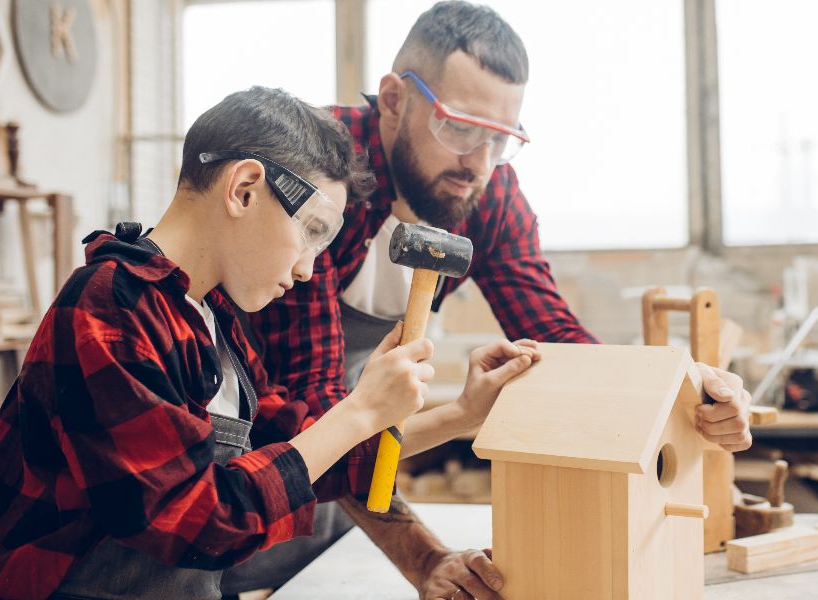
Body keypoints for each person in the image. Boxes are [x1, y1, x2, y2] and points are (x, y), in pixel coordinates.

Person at [0, 86, 537, 600]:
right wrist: (359, 409)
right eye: (312, 232)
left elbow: (297, 443)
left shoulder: (210, 318)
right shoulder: (109, 307)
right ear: (245, 189)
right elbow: (197, 521)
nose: (306, 269)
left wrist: (460, 416)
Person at [240, 3, 754, 599]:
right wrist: (424, 558)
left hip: (350, 473)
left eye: (499, 139)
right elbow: (317, 413)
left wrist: (689, 390)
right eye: (458, 128)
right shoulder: (320, 177)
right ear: (393, 99)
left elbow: (556, 338)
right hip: (245, 470)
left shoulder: (488, 193)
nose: (477, 165)